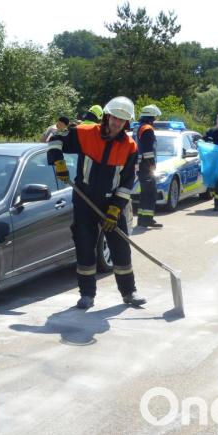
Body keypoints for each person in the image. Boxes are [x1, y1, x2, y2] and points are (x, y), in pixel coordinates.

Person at [48, 96, 146, 310]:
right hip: (85, 199)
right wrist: (58, 162)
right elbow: (55, 139)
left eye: (122, 120)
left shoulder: (129, 147)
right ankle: (87, 295)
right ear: (108, 116)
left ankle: (129, 292)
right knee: (84, 245)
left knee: (120, 248)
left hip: (111, 203)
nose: (117, 123)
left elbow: (127, 182)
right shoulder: (85, 133)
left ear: (127, 122)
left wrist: (114, 210)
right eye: (114, 118)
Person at [136, 104, 163, 228]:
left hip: (141, 165)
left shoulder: (140, 127)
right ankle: (147, 219)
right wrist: (152, 165)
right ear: (151, 117)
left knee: (145, 193)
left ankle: (142, 219)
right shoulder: (148, 129)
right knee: (151, 193)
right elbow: (148, 151)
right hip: (146, 166)